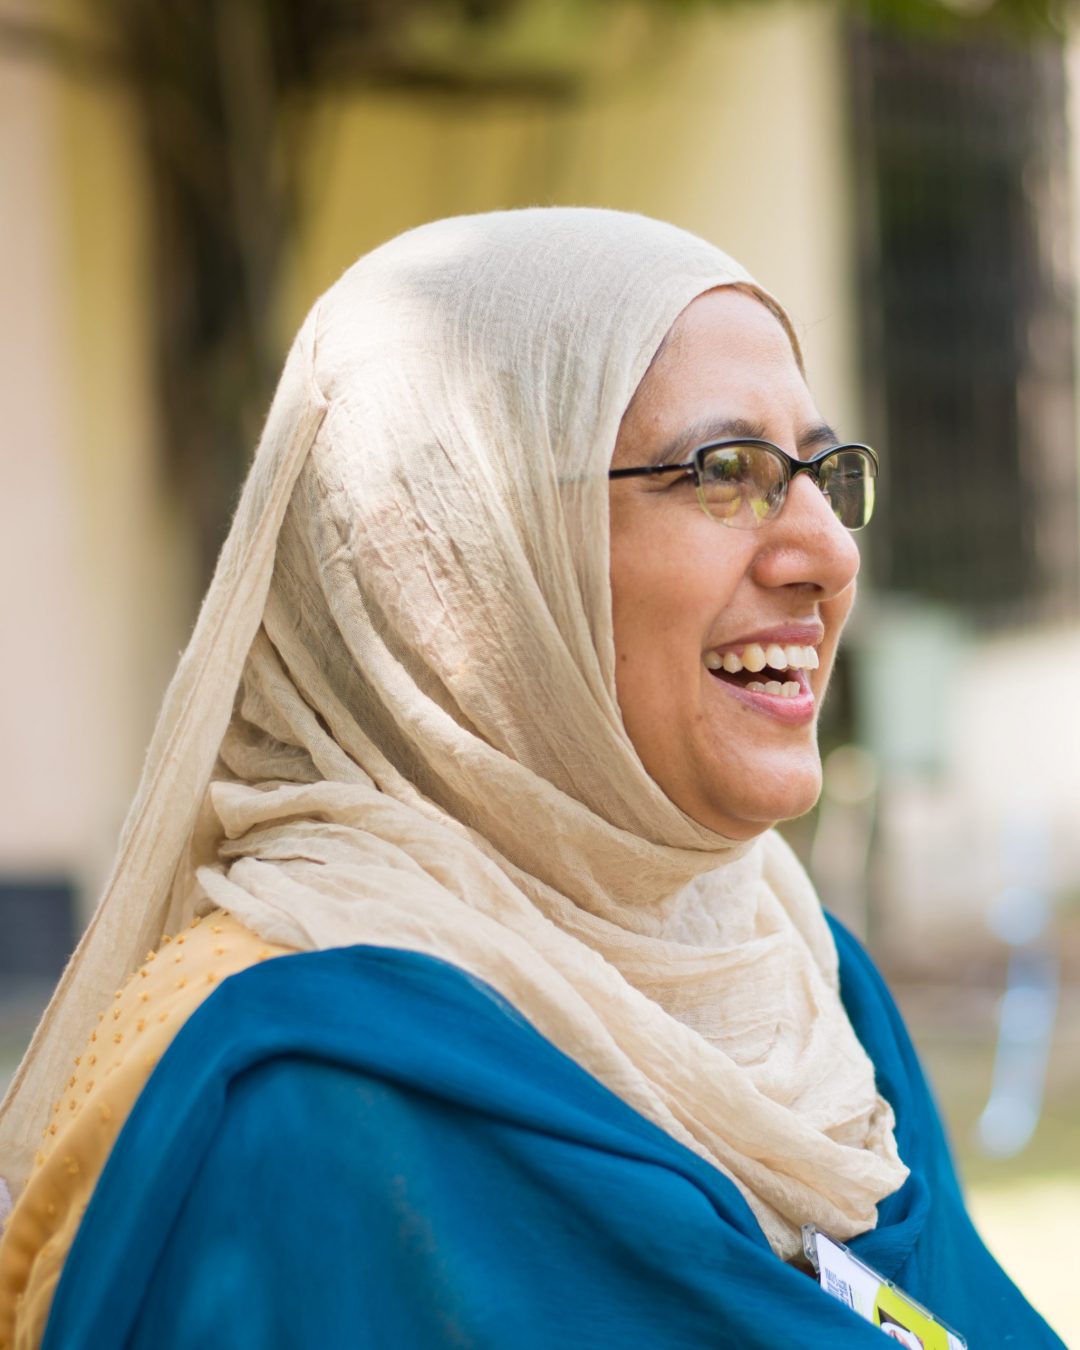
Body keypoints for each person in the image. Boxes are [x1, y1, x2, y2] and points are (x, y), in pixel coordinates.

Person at [0, 209, 1063, 1348]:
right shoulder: (301, 1106)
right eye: (726, 472)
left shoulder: (808, 985)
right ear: (467, 555)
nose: (830, 552)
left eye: (819, 471)